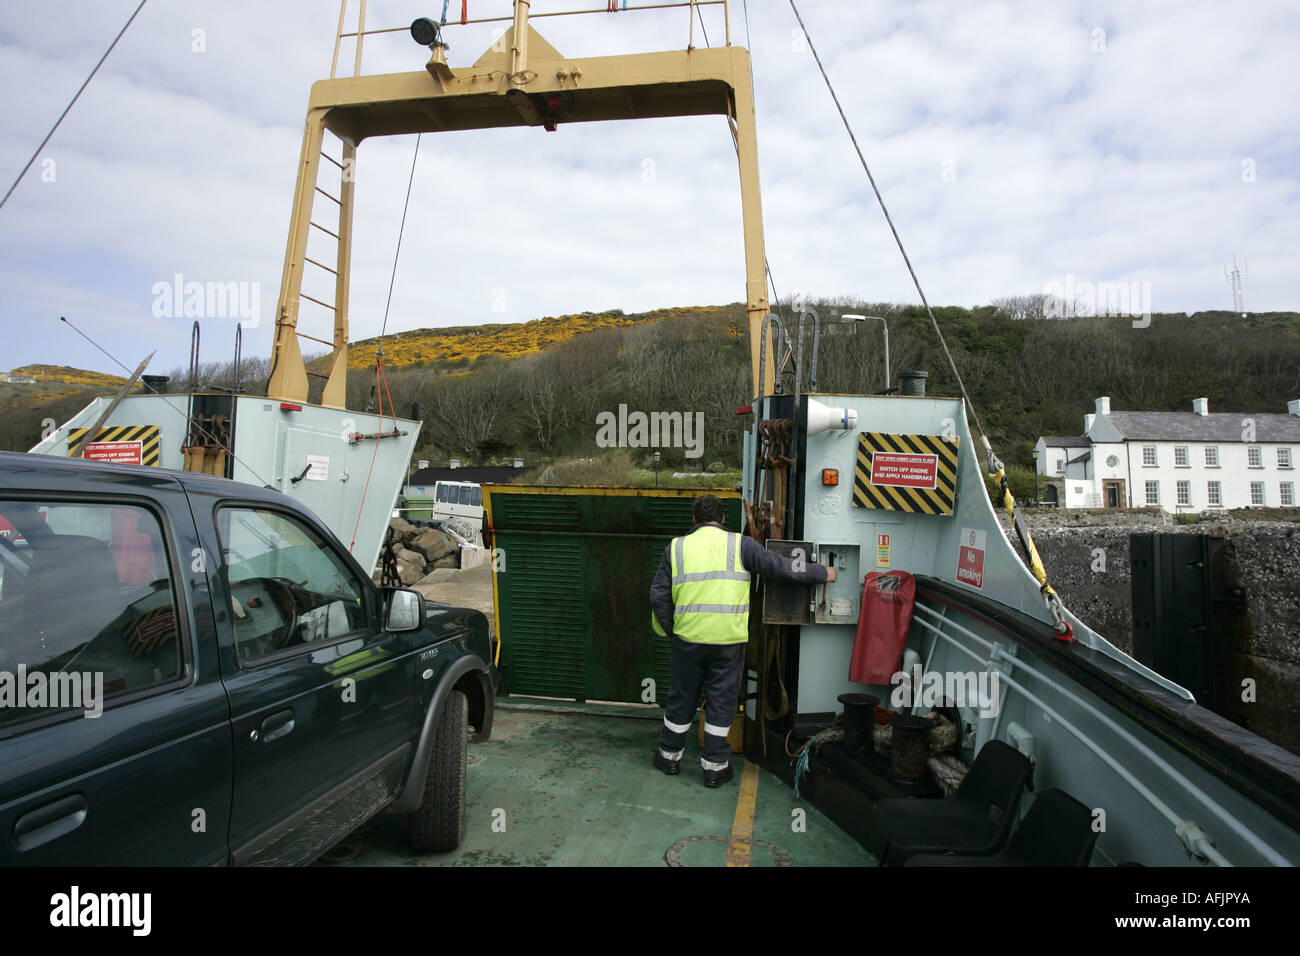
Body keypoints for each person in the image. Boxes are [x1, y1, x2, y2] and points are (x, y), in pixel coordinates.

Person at [649, 494, 835, 787]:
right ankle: (714, 768)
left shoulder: (676, 547)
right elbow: (781, 567)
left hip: (688, 639)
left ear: (694, 520)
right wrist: (821, 572)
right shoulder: (742, 545)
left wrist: (674, 629)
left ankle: (669, 756)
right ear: (723, 519)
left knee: (682, 696)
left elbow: (658, 595)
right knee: (721, 702)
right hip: (728, 643)